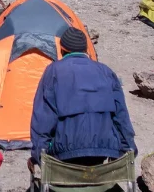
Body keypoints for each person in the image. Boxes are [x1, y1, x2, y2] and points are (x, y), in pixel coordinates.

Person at [29, 27, 136, 171]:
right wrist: (127, 148)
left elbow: (43, 117)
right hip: (104, 149)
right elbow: (121, 115)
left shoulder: (53, 71)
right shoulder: (106, 71)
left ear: (62, 50)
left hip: (64, 151)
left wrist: (39, 153)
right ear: (86, 49)